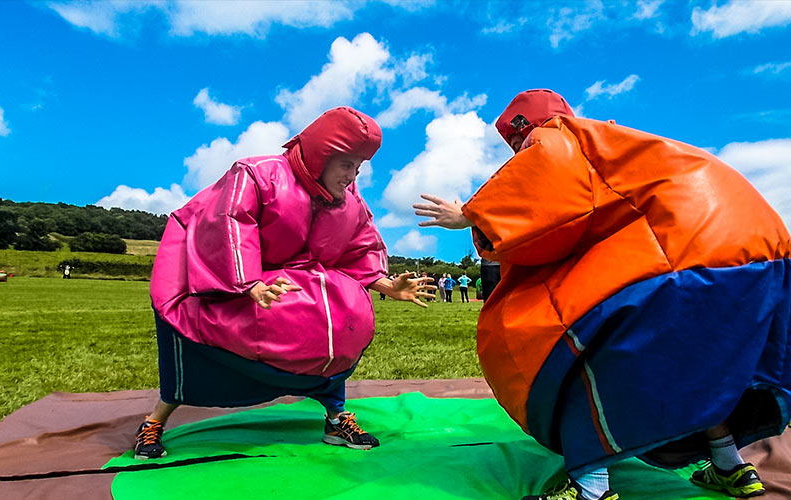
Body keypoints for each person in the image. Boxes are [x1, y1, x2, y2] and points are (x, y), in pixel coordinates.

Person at [414, 89, 790, 500]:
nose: (517, 154)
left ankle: (591, 489)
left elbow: (548, 182)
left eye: (516, 145)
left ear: (523, 130)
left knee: (582, 358)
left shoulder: (556, 136)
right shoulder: (619, 146)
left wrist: (471, 215)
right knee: (702, 364)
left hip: (686, 256)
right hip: (759, 251)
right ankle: (730, 466)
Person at [136, 107, 436, 460]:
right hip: (210, 275)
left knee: (341, 314)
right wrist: (249, 283)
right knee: (193, 339)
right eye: (346, 165)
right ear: (322, 155)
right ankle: (155, 421)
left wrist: (387, 286)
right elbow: (230, 222)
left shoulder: (348, 200)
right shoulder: (256, 174)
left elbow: (359, 246)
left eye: (358, 167)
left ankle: (335, 418)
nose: (352, 176)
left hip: (286, 282)